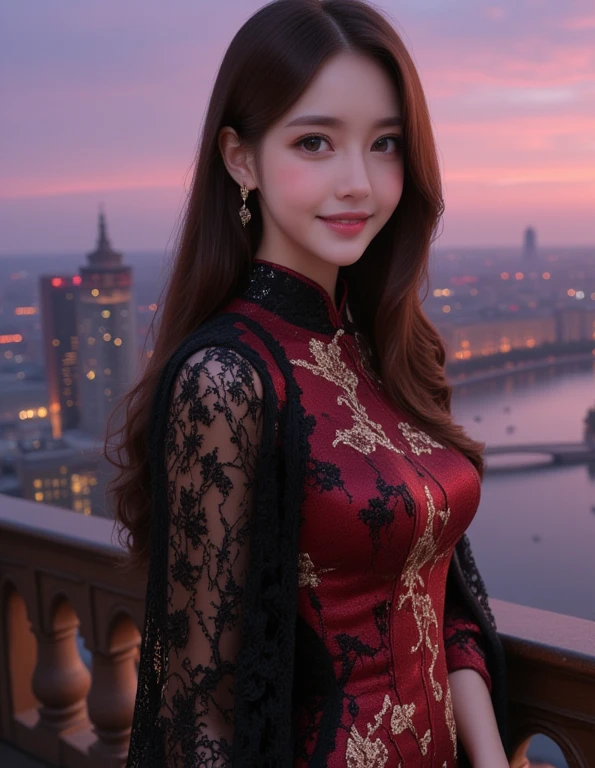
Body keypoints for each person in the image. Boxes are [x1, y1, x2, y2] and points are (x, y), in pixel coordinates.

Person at [106, 1, 511, 765]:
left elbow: (443, 591)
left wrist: (489, 760)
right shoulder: (225, 380)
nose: (358, 182)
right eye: (316, 142)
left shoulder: (389, 347)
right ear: (241, 158)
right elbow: (201, 720)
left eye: (385, 144)